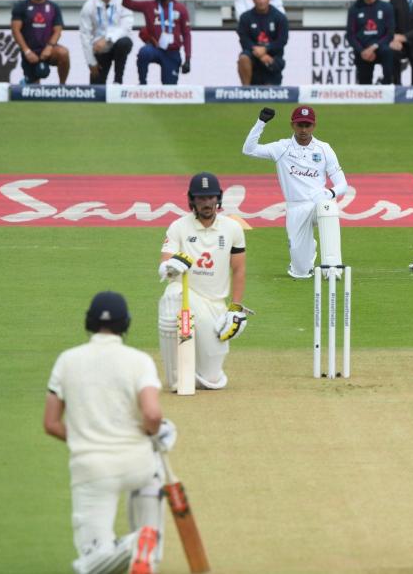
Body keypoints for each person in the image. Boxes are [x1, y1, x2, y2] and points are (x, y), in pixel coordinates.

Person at [44, 291, 172, 574]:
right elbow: (152, 415)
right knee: (153, 473)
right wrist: (150, 435)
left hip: (91, 468)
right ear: (125, 323)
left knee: (92, 562)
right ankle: (146, 545)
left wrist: (84, 437)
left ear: (89, 322)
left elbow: (51, 423)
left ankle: (130, 546)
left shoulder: (67, 360)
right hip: (137, 462)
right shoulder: (139, 361)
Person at [158, 173, 249, 390]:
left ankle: (198, 373)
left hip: (215, 305)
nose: (206, 203)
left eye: (210, 197)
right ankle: (176, 379)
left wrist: (235, 308)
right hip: (187, 296)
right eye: (201, 198)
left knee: (212, 378)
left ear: (218, 198)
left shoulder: (232, 228)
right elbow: (165, 265)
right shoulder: (178, 227)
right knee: (172, 293)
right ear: (192, 200)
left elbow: (238, 269)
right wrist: (169, 267)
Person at [242, 106, 349, 279]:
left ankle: (332, 268)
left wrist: (328, 194)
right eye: (300, 125)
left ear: (314, 126)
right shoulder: (281, 148)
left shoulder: (324, 149)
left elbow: (342, 184)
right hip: (295, 208)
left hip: (317, 204)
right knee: (300, 272)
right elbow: (249, 149)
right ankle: (306, 251)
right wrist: (261, 123)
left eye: (308, 125)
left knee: (328, 207)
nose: (304, 130)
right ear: (293, 125)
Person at [123, 0, 191, 85]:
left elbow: (187, 35)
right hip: (155, 49)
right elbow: (127, 3)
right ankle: (142, 85)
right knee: (144, 52)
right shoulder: (149, 6)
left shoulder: (181, 9)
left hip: (172, 52)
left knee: (169, 90)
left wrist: (188, 59)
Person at [11, 0, 71, 84]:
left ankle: (62, 87)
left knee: (63, 53)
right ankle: (26, 81)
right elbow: (15, 30)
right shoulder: (21, 7)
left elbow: (57, 30)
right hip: (31, 53)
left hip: (48, 51)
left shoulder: (54, 7)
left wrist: (49, 47)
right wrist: (27, 51)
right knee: (34, 92)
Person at [79, 0, 134, 85]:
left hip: (117, 44)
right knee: (95, 89)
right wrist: (91, 62)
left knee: (125, 43)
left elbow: (127, 26)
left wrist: (108, 38)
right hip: (100, 49)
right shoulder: (89, 6)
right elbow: (85, 36)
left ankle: (118, 81)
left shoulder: (122, 0)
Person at [347, 0, 395, 85]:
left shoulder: (387, 8)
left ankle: (387, 85)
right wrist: (362, 51)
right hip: (363, 51)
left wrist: (374, 47)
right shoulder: (354, 9)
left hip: (380, 47)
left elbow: (390, 34)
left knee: (387, 52)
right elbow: (350, 35)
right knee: (364, 84)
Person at [237, 0, 288, 85]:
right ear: (253, 0)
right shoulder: (245, 17)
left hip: (272, 57)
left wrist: (266, 50)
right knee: (243, 59)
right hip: (253, 55)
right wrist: (258, 52)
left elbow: (282, 40)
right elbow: (243, 39)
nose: (261, 1)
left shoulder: (280, 17)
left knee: (269, 95)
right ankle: (245, 92)